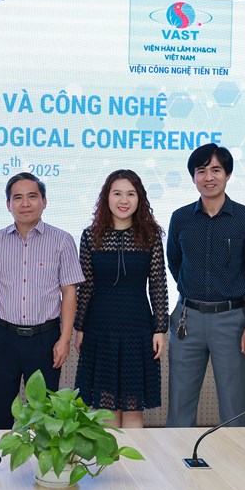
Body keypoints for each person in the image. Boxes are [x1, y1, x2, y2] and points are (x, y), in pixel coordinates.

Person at [165, 143, 245, 428]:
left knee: (233, 408)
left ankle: (231, 458)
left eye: (216, 170)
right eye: (201, 171)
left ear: (228, 174)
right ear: (193, 177)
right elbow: (174, 262)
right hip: (187, 320)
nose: (208, 177)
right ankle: (177, 457)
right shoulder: (181, 218)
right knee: (179, 407)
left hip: (232, 320)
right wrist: (193, 289)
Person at [0, 173, 84, 430]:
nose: (25, 204)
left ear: (44, 201)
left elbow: (69, 292)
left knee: (44, 417)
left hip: (45, 339)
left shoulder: (62, 240)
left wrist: (64, 339)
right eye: (18, 198)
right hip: (2, 337)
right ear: (8, 204)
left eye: (32, 196)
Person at [74, 170, 169, 428]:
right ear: (107, 197)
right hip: (100, 328)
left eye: (130, 194)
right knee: (106, 409)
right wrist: (79, 327)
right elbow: (86, 286)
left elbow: (158, 284)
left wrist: (160, 329)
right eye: (117, 193)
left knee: (132, 408)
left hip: (137, 328)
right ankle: (110, 457)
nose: (123, 200)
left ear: (140, 199)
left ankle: (131, 457)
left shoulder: (150, 236)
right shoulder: (90, 236)